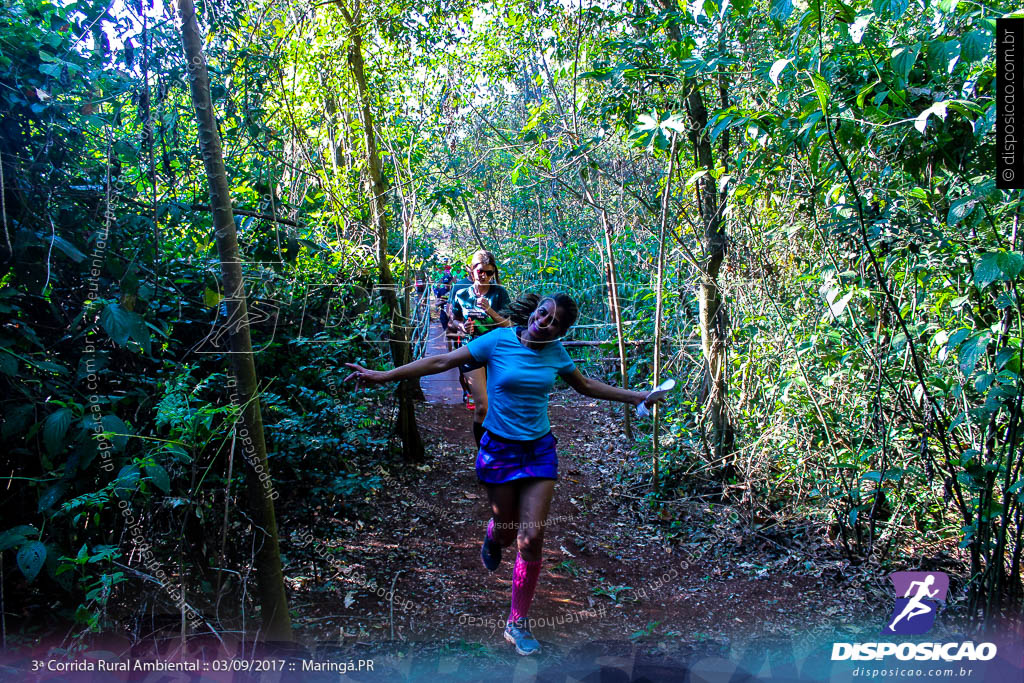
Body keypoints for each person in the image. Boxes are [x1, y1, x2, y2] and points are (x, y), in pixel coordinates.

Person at [344, 292, 663, 656]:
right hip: (498, 451)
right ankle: (493, 538)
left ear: (561, 330)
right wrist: (385, 375)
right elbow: (443, 361)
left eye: (554, 321)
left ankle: (517, 622)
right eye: (543, 313)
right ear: (535, 311)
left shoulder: (557, 353)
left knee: (531, 538)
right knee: (508, 532)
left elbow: (587, 386)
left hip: (540, 451)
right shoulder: (497, 340)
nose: (544, 321)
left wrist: (638, 396)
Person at [451, 251, 511, 439]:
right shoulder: (461, 294)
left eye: (489, 272)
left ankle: (500, 446)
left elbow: (509, 324)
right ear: (472, 271)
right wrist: (462, 326)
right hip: (472, 351)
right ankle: (482, 454)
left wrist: (489, 310)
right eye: (480, 271)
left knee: (499, 404)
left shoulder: (500, 293)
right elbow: (454, 320)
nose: (484, 275)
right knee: (482, 406)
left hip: (498, 352)